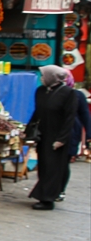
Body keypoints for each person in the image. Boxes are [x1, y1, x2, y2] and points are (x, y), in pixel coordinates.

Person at [25, 65, 77, 211]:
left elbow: (69, 118)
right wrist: (29, 129)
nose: (41, 78)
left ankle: (47, 199)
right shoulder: (41, 91)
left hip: (57, 136)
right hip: (44, 134)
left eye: (44, 75)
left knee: (53, 167)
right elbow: (37, 112)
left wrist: (62, 138)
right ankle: (44, 194)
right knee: (44, 166)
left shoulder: (68, 93)